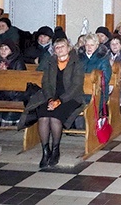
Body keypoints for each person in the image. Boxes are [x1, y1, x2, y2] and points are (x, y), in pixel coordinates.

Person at [33, 38, 85, 168]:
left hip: (71, 98)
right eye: (57, 47)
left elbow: (76, 86)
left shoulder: (76, 62)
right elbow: (45, 83)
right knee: (44, 116)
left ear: (69, 48)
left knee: (55, 117)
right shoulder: (50, 62)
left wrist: (60, 101)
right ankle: (45, 151)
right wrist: (51, 99)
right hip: (52, 97)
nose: (60, 49)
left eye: (62, 46)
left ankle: (55, 149)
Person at [78, 33, 112, 106]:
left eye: (92, 45)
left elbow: (105, 79)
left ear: (97, 45)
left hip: (98, 93)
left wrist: (90, 84)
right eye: (87, 45)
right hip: (80, 93)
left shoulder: (103, 59)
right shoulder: (79, 58)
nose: (89, 48)